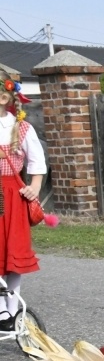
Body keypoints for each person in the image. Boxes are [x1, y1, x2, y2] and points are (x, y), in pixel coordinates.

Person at [0, 71, 46, 331]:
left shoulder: (22, 128)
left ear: (5, 96)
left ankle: (11, 309)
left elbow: (36, 162)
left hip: (12, 196)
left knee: (13, 252)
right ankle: (0, 311)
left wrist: (35, 186)